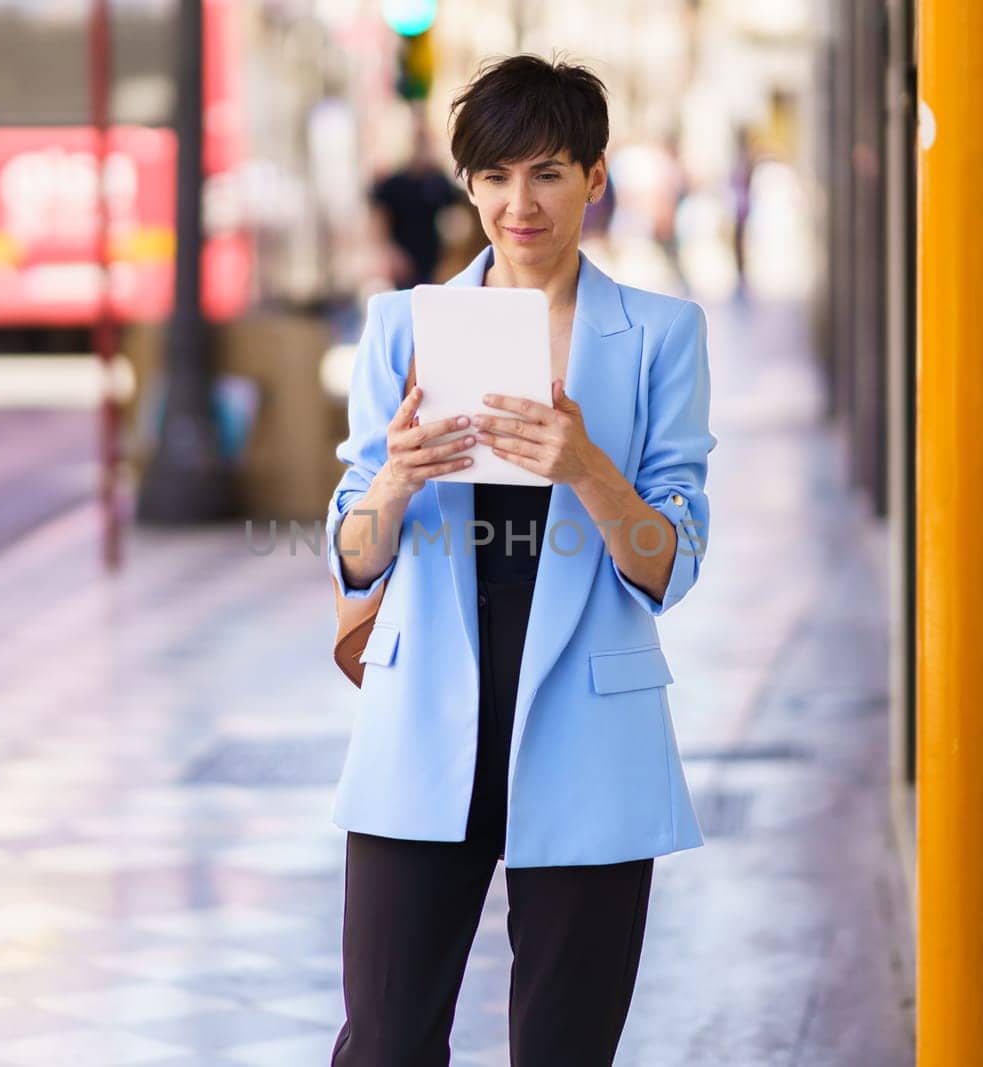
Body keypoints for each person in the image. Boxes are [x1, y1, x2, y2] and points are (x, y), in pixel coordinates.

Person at [325, 54, 717, 1066]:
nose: (518, 203)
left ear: (594, 179)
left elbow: (668, 566)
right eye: (494, 176)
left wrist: (586, 467)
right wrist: (395, 481)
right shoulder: (401, 327)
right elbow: (352, 558)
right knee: (384, 1040)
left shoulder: (659, 335)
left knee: (563, 1046)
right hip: (426, 709)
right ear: (469, 185)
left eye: (546, 172)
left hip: (591, 711)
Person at [368, 104, 461, 288]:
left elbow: (457, 214)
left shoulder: (438, 180)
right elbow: (379, 222)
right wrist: (390, 253)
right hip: (404, 261)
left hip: (435, 260)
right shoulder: (392, 183)